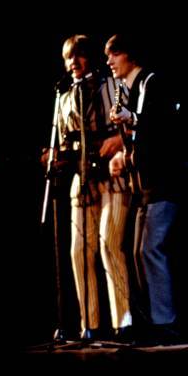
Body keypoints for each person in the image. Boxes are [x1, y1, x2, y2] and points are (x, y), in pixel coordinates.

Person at [105, 33, 183, 344]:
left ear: (130, 55)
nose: (109, 61)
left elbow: (162, 125)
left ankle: (166, 321)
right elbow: (142, 139)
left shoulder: (151, 82)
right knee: (139, 250)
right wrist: (125, 155)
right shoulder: (129, 89)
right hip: (146, 184)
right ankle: (152, 319)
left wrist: (132, 118)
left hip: (164, 181)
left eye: (114, 54)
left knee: (151, 249)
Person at [55, 34, 133, 341]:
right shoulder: (62, 99)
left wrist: (119, 142)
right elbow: (62, 143)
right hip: (82, 178)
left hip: (113, 176)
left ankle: (123, 321)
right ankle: (90, 323)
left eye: (79, 56)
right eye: (68, 58)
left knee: (109, 244)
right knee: (78, 252)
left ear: (89, 58)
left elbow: (131, 127)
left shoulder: (112, 87)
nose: (73, 62)